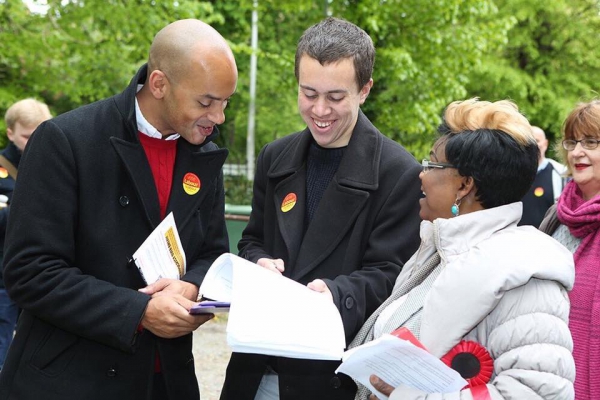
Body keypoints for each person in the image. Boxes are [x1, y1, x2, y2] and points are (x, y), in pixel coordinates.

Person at [0, 19, 237, 400]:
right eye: (206, 102)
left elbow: (211, 252)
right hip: (73, 380)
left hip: (166, 381)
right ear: (159, 84)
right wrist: (137, 312)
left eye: (226, 102)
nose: (219, 117)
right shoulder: (66, 140)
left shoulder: (205, 157)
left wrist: (192, 285)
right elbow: (29, 271)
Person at [220, 17, 422, 400]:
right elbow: (252, 241)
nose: (320, 110)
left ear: (364, 90)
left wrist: (334, 292)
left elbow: (391, 277)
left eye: (335, 96)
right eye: (309, 93)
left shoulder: (398, 173)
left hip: (329, 377)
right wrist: (259, 263)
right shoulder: (275, 157)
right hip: (257, 366)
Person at [349, 98, 575, 399]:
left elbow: (537, 393)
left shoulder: (526, 278)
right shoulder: (435, 251)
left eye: (431, 164)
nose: (421, 174)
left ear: (464, 185)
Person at [539, 99, 600, 400]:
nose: (577, 152)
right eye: (573, 141)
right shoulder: (556, 214)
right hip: (549, 371)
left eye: (591, 142)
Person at [0, 98, 52, 369]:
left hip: (43, 272)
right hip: (4, 274)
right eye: (26, 136)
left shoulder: (53, 165)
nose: (33, 142)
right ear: (10, 133)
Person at [519, 125, 567, 227]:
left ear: (545, 144)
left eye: (537, 140)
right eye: (528, 141)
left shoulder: (561, 173)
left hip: (549, 239)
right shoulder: (513, 173)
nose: (533, 145)